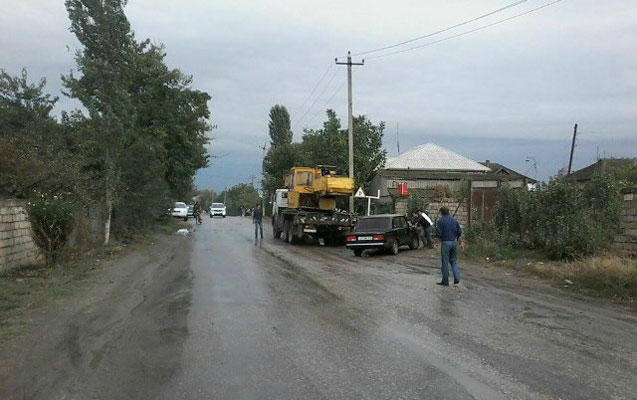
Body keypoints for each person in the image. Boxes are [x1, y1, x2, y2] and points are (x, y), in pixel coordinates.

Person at [435, 206, 461, 286]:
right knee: (453, 261)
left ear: (441, 213)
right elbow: (459, 232)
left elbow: (439, 234)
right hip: (454, 242)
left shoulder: (441, 221)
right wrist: (460, 242)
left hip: (446, 243)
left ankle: (445, 281)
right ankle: (456, 278)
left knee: (445, 262)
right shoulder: (454, 220)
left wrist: (436, 243)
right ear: (449, 212)